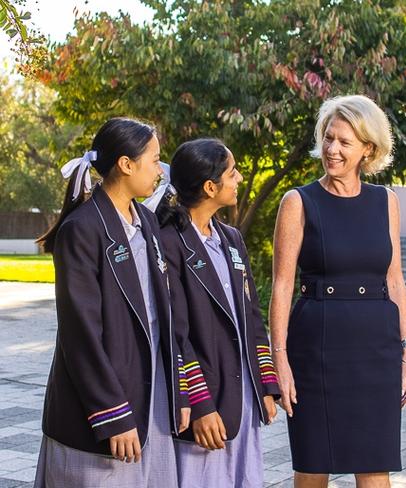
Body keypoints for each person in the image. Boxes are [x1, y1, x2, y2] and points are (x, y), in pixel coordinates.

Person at [269, 94, 406, 487]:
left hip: (376, 348)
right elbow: (282, 285)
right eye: (329, 138)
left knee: (375, 465)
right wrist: (278, 359)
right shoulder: (298, 202)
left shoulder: (386, 201)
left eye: (344, 142)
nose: (332, 150)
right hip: (316, 347)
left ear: (367, 149)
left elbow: (395, 279)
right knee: (313, 464)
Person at [34, 117, 190, 488]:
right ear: (126, 164)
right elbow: (80, 334)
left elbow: (165, 314)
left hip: (151, 395)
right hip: (103, 406)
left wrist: (179, 389)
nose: (160, 169)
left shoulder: (148, 223)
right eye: (154, 159)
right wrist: (113, 415)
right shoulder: (82, 230)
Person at [152, 138, 279, 487]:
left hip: (243, 396)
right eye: (232, 172)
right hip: (204, 400)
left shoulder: (232, 239)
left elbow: (252, 316)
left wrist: (266, 384)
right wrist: (200, 403)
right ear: (210, 187)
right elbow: (175, 334)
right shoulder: (168, 242)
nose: (238, 178)